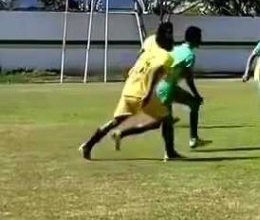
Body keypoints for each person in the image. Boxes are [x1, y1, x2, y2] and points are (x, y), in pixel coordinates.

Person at [78, 22, 178, 160]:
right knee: (165, 119)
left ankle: (88, 145)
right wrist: (148, 94)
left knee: (115, 121)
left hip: (130, 87)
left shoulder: (150, 41)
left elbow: (140, 54)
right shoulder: (166, 56)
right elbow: (155, 71)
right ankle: (169, 153)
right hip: (143, 92)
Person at [117, 25, 209, 154]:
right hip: (167, 88)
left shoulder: (176, 49)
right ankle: (123, 134)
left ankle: (189, 141)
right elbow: (188, 78)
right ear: (195, 39)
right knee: (163, 122)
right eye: (200, 37)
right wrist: (196, 94)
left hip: (163, 85)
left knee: (189, 106)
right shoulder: (190, 56)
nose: (201, 40)